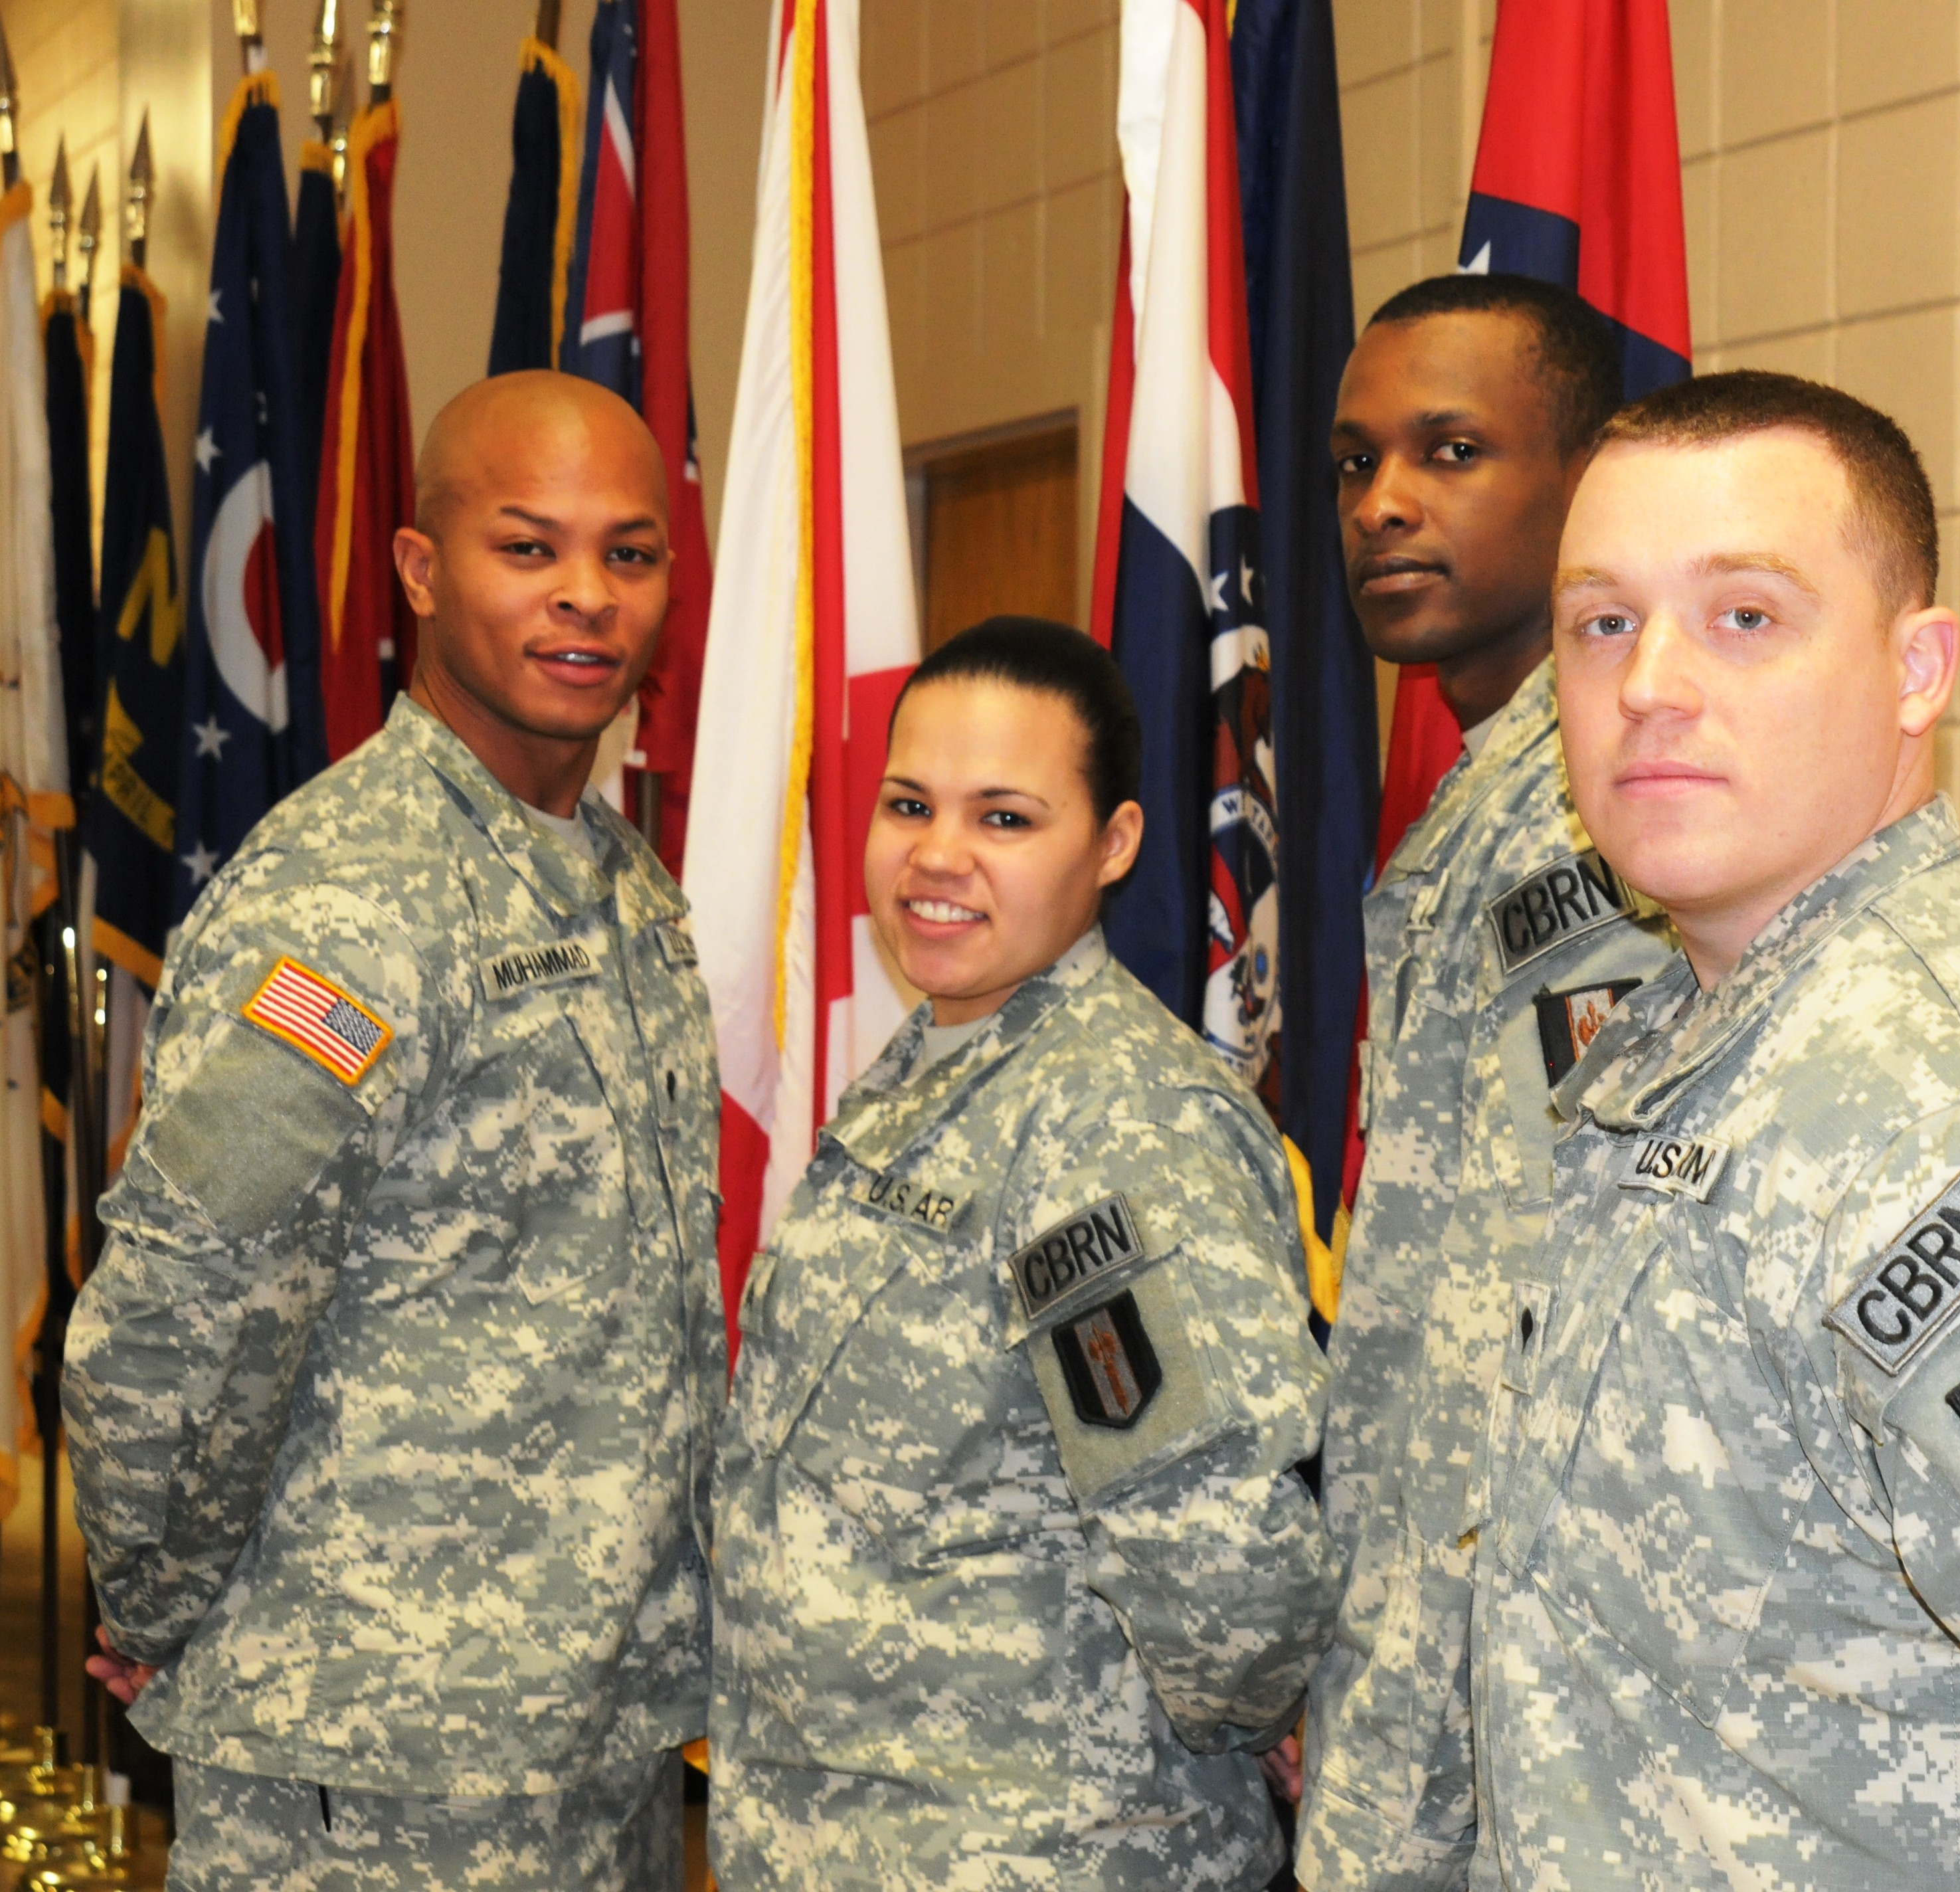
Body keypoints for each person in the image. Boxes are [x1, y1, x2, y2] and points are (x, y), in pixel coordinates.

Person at [1472, 368, 1960, 1886]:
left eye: (1746, 615)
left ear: (1916, 669)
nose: (1650, 684)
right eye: (1602, 622)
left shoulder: (1956, 1107)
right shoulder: (1710, 1026)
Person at [64, 371, 725, 1892]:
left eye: (630, 554)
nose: (585, 597)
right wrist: (163, 1603)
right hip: (374, 1765)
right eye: (527, 546)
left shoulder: (619, 882)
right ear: (423, 573)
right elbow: (182, 1307)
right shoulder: (351, 902)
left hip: (590, 1737)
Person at [709, 617, 1339, 1891]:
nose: (937, 857)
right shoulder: (934, 1064)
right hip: (844, 1841)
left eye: (1004, 818)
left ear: (1111, 845)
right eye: (909, 805)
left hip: (1038, 1849)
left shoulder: (1113, 1120)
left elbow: (1226, 1580)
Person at [1294, 275, 1676, 1889]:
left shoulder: (1617, 814)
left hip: (1523, 1708)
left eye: (1452, 452)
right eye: (1354, 461)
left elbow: (1579, 1297)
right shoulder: (1488, 798)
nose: (1384, 502)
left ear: (1584, 484)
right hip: (1426, 1659)